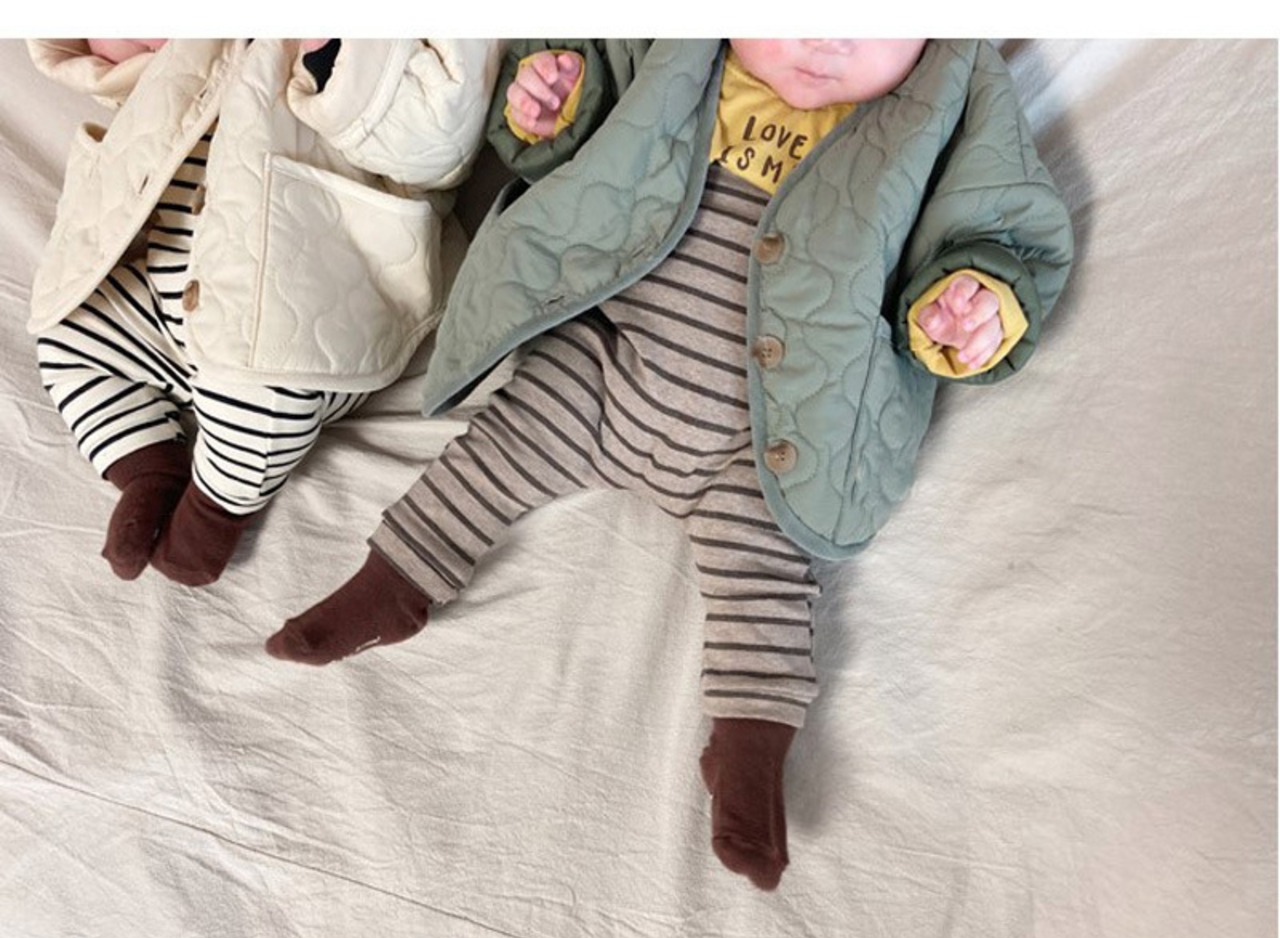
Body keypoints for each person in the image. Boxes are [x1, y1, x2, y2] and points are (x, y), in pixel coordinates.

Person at [267, 39, 1074, 890]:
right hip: (610, 355)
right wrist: (554, 100)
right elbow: (591, 88)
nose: (826, 37)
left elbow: (1001, 222)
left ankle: (750, 746)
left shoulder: (951, 93)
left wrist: (975, 303)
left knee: (768, 572)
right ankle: (396, 578)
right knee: (507, 439)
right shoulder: (682, 42)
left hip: (775, 433)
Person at [28, 38, 500, 584]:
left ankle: (217, 507)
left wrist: (335, 53)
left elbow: (440, 142)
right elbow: (117, 70)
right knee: (69, 333)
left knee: (262, 394)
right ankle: (146, 464)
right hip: (161, 285)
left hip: (301, 295)